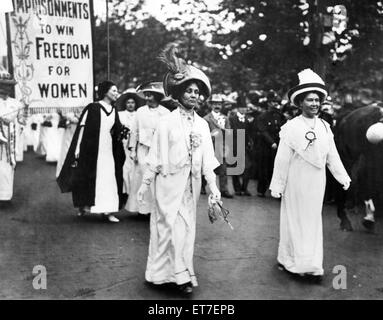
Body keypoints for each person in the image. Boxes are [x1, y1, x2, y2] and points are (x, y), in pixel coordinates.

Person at [138, 42, 221, 294]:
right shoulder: (166, 122)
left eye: (197, 91)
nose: (194, 95)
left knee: (185, 230)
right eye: (189, 91)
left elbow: (208, 160)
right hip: (167, 183)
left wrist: (214, 190)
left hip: (190, 186)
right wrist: (144, 185)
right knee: (167, 228)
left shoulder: (203, 126)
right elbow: (154, 156)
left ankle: (180, 275)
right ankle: (162, 275)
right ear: (179, 93)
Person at [269, 69, 351, 282]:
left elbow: (332, 155)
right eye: (309, 100)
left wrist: (342, 177)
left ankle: (312, 264)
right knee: (295, 221)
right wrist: (277, 185)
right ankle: (294, 263)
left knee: (312, 222)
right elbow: (282, 159)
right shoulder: (290, 127)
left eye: (317, 100)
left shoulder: (325, 126)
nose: (314, 104)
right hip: (296, 180)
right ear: (300, 103)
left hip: (316, 181)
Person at [57, 80, 127, 223]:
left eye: (117, 91)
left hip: (109, 151)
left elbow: (116, 130)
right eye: (114, 90)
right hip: (91, 150)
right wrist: (77, 150)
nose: (116, 93)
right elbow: (82, 129)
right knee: (89, 178)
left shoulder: (114, 111)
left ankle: (108, 211)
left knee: (109, 179)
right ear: (105, 91)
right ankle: (84, 205)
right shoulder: (93, 108)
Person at [127, 82, 170, 217]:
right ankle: (142, 209)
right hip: (143, 150)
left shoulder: (165, 113)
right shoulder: (140, 111)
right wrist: (133, 150)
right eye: (146, 95)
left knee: (158, 180)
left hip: (159, 150)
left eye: (150, 95)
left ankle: (156, 209)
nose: (147, 98)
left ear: (157, 96)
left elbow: (169, 133)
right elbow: (134, 131)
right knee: (143, 177)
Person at [0, 73, 25, 201]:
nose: (5, 89)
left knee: (8, 165)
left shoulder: (16, 104)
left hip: (10, 138)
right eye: (3, 85)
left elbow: (21, 121)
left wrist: (24, 113)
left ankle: (5, 195)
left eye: (8, 86)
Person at [203, 94, 233, 198]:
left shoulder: (225, 118)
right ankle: (202, 187)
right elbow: (204, 134)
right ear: (210, 105)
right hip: (209, 147)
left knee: (223, 170)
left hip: (221, 147)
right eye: (215, 104)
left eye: (219, 104)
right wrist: (213, 133)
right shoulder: (206, 118)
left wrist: (224, 129)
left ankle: (224, 190)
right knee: (207, 168)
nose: (217, 106)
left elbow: (229, 132)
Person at [115, 88, 143, 197]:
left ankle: (134, 190)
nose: (130, 105)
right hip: (123, 144)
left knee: (135, 167)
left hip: (136, 144)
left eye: (132, 102)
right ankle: (125, 190)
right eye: (128, 102)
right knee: (125, 167)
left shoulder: (139, 114)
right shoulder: (120, 114)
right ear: (125, 104)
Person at [229, 95, 253, 196]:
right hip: (235, 145)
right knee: (235, 168)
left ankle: (244, 188)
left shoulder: (247, 120)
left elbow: (249, 133)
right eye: (242, 107)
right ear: (238, 108)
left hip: (244, 147)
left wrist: (249, 142)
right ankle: (237, 189)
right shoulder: (232, 119)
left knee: (247, 167)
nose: (244, 109)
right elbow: (232, 132)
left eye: (245, 107)